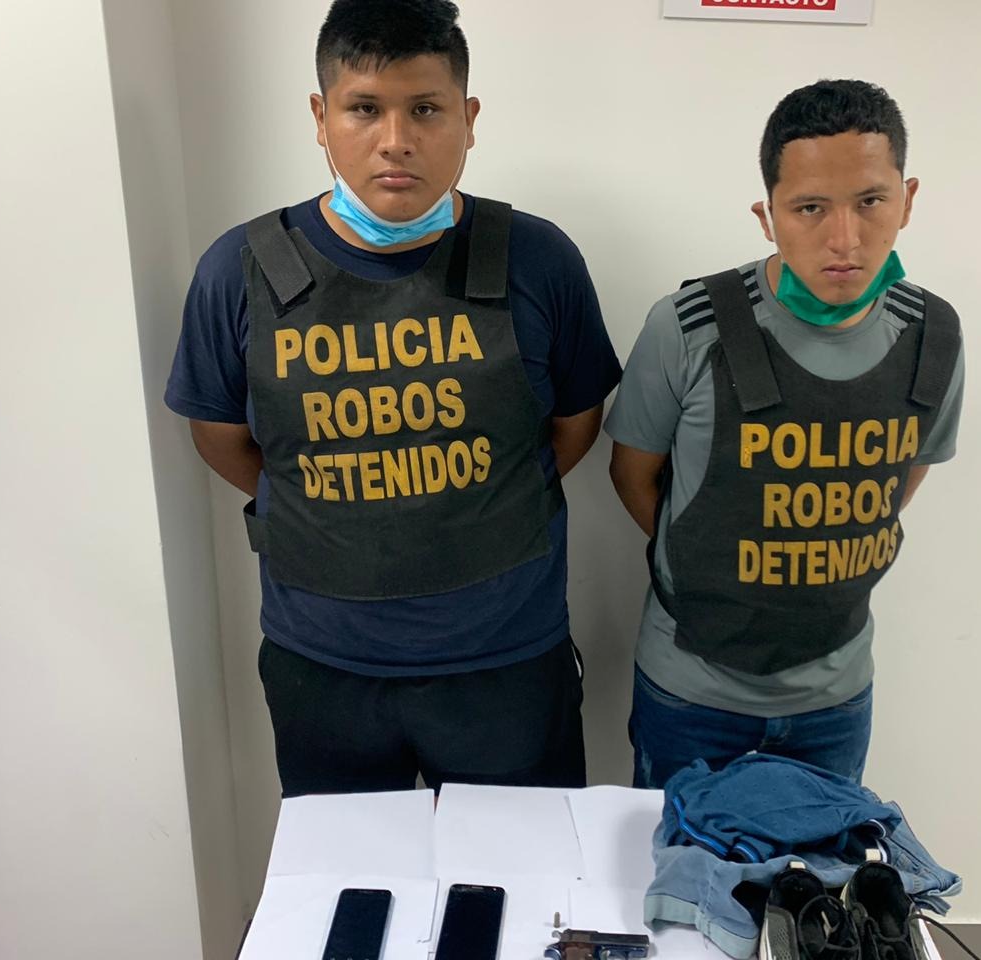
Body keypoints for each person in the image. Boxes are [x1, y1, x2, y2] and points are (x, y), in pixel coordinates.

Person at [164, 0, 620, 796]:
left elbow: (574, 426)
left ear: (469, 119)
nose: (396, 139)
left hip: (505, 664)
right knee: (346, 875)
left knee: (520, 871)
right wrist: (335, 507)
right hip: (324, 668)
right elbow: (220, 436)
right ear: (321, 117)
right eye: (365, 109)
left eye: (426, 109)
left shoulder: (538, 260)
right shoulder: (239, 270)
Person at [606, 79, 965, 789]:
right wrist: (717, 564)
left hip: (836, 695)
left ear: (908, 199)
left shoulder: (934, 336)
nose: (844, 239)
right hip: (692, 689)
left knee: (822, 863)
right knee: (678, 862)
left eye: (870, 202)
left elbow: (894, 485)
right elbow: (632, 475)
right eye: (809, 208)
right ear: (767, 217)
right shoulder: (688, 327)